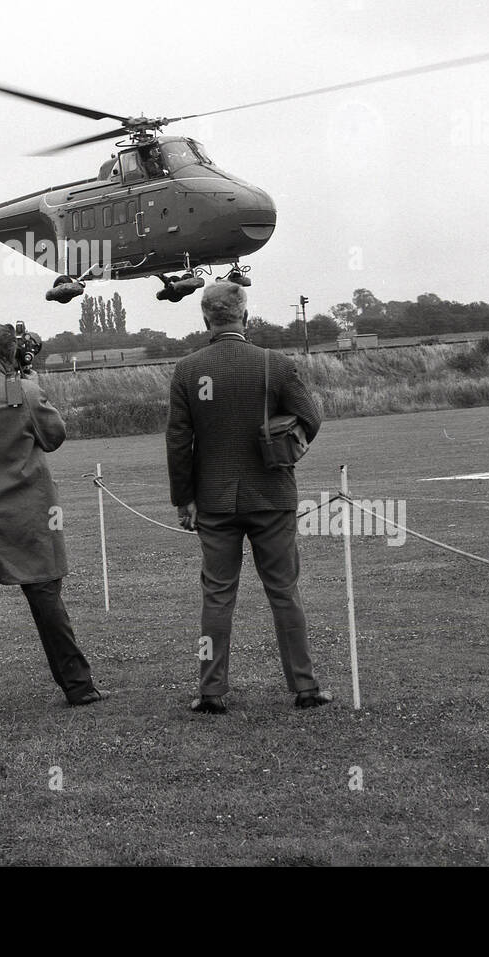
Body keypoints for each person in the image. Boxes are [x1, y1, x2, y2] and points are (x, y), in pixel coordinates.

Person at [166, 282, 333, 714]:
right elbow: (311, 417)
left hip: (214, 500)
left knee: (217, 597)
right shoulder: (273, 364)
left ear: (205, 319)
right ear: (246, 315)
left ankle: (211, 692)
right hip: (272, 493)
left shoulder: (187, 370)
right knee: (284, 591)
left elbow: (178, 441)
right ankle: (306, 687)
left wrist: (185, 500)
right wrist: (285, 442)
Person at [0, 323, 106, 711]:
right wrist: (28, 382)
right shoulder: (25, 392)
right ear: (11, 353)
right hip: (26, 516)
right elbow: (53, 437)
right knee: (47, 603)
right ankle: (78, 686)